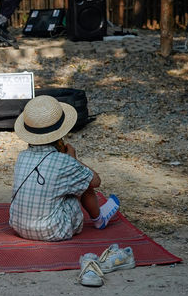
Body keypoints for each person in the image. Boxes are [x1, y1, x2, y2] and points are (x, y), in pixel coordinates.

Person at [9, 95, 120, 241]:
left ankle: (98, 216)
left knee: (70, 181)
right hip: (52, 230)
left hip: (18, 227)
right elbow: (95, 181)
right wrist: (73, 159)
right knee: (82, 181)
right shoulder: (63, 161)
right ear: (59, 134)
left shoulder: (22, 156)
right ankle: (99, 219)